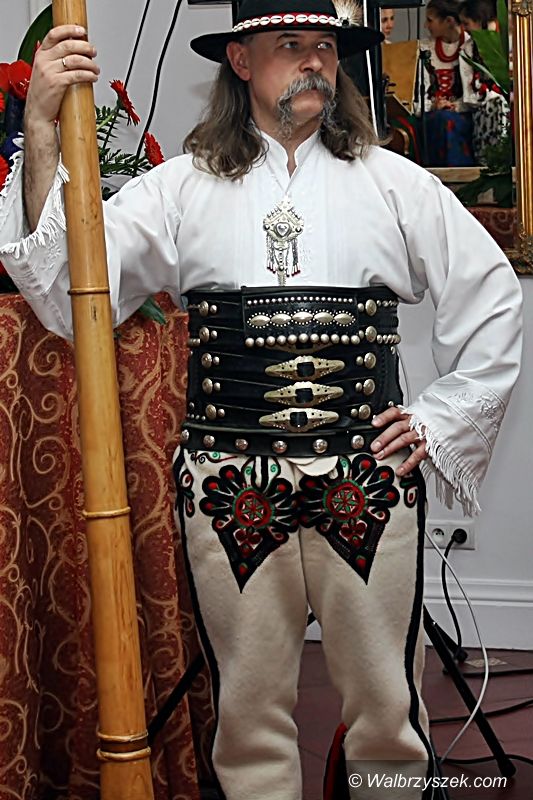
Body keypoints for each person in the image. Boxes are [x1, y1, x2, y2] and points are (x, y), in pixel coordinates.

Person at [0, 1, 522, 798]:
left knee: (387, 711)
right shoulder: (178, 188)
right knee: (246, 718)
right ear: (240, 62)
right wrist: (41, 126)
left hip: (366, 480)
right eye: (290, 44)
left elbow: (490, 294)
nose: (313, 62)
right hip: (230, 483)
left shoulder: (394, 184)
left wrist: (438, 417)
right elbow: (69, 289)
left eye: (324, 47)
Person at [417, 0, 475, 165]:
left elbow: (476, 91)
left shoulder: (471, 47)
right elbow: (419, 94)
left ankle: (460, 173)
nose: (426, 25)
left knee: (447, 120)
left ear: (448, 21)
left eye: (430, 20)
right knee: (440, 119)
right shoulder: (424, 48)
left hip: (464, 112)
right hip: (433, 113)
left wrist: (456, 106)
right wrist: (433, 105)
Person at [458, 0, 510, 164]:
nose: (463, 29)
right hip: (484, 105)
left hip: (518, 101)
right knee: (497, 104)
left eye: (466, 23)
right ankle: (492, 162)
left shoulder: (511, 41)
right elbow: (469, 96)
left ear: (480, 20)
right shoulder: (467, 50)